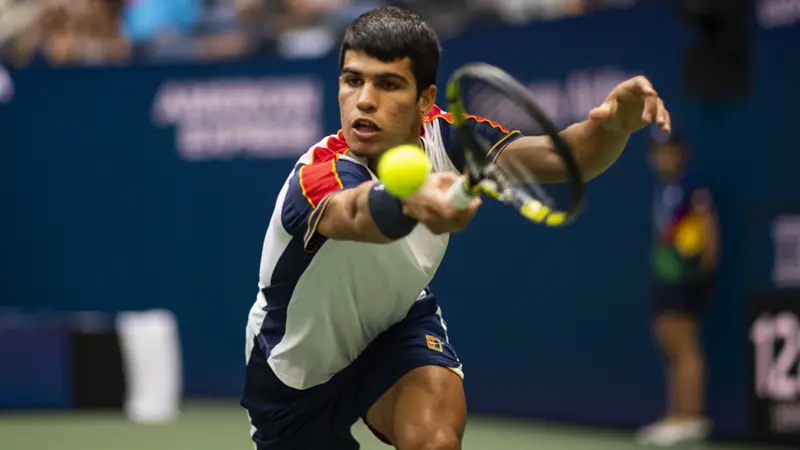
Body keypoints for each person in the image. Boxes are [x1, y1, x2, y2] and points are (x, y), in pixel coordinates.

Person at [241, 6, 672, 449]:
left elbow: (565, 157)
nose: (365, 100)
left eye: (388, 84)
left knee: (436, 441)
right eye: (353, 80)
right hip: (295, 373)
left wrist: (615, 127)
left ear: (425, 100)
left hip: (393, 326)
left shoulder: (449, 140)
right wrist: (407, 201)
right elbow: (353, 213)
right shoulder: (317, 174)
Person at [635, 133, 719, 447]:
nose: (662, 158)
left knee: (685, 345)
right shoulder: (666, 188)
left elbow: (708, 231)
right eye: (657, 152)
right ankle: (677, 415)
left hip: (686, 278)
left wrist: (705, 272)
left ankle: (691, 416)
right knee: (670, 344)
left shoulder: (691, 186)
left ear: (681, 153)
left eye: (668, 152)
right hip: (665, 276)